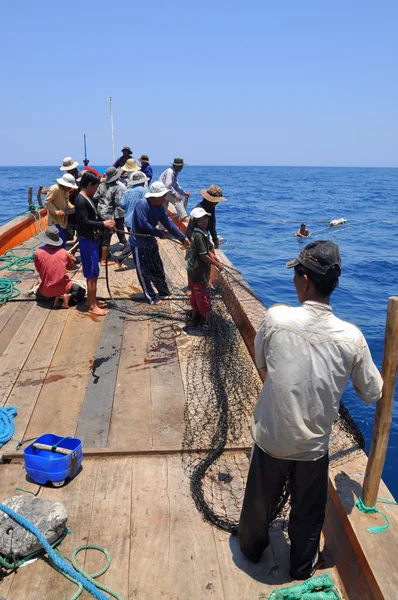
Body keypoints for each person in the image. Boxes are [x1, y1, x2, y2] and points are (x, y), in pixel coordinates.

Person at [238, 240, 383, 580]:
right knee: (308, 511)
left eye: (295, 275)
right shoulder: (352, 337)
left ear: (304, 280)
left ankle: (250, 548)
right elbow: (373, 392)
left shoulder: (275, 318)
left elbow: (261, 362)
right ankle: (302, 567)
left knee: (258, 503)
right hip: (312, 448)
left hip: (271, 438)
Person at [130, 181, 190, 305]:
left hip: (151, 242)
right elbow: (143, 224)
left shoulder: (159, 208)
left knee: (157, 267)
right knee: (144, 271)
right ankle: (151, 297)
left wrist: (183, 238)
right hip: (139, 243)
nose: (163, 198)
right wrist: (159, 233)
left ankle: (163, 291)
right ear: (154, 196)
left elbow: (170, 225)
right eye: (162, 196)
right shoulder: (141, 204)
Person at [75, 172, 115, 316]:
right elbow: (84, 222)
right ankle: (92, 306)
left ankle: (90, 300)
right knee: (92, 274)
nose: (96, 190)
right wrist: (102, 223)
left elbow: (94, 217)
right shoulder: (80, 200)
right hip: (87, 241)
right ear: (90, 185)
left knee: (94, 273)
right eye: (96, 187)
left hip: (91, 239)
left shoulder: (88, 198)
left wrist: (105, 224)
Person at [186, 207, 224, 326]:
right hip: (198, 272)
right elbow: (203, 256)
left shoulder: (201, 232)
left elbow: (206, 251)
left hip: (193, 270)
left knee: (195, 297)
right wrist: (217, 264)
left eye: (205, 218)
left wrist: (213, 256)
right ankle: (210, 322)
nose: (204, 221)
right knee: (202, 298)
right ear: (194, 221)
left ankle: (194, 319)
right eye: (200, 219)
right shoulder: (199, 235)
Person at [34, 225, 85, 308]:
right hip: (64, 287)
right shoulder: (63, 252)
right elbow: (70, 267)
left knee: (39, 294)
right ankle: (68, 297)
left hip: (47, 289)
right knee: (81, 292)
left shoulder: (38, 252)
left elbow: (39, 269)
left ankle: (55, 298)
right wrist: (70, 258)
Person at [116, 171, 149, 268]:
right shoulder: (144, 191)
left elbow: (122, 205)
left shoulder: (127, 191)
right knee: (136, 240)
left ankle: (137, 260)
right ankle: (122, 258)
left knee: (134, 239)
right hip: (140, 220)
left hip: (128, 220)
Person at [94, 167, 126, 265]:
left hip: (99, 213)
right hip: (108, 215)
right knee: (106, 238)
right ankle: (103, 260)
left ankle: (99, 255)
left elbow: (95, 197)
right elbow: (118, 203)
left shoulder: (101, 185)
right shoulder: (117, 187)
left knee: (100, 235)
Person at [186, 185, 227, 249]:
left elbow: (212, 224)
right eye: (216, 201)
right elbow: (195, 231)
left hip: (203, 234)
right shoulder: (199, 210)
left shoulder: (211, 206)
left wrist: (215, 239)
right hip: (195, 236)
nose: (217, 203)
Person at [45, 173, 78, 248]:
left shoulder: (66, 190)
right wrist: (56, 211)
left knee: (62, 240)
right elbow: (47, 201)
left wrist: (71, 206)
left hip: (63, 220)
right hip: (54, 220)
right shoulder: (55, 188)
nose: (70, 188)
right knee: (56, 241)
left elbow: (66, 201)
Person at [60, 157, 82, 242]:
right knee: (70, 222)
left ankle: (79, 239)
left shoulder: (79, 176)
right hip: (70, 203)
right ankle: (70, 236)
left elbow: (78, 189)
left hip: (78, 202)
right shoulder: (67, 177)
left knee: (79, 222)